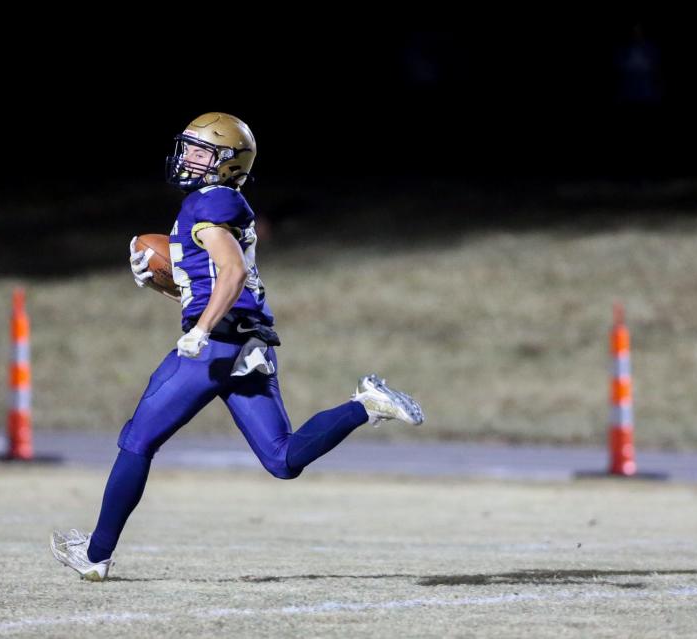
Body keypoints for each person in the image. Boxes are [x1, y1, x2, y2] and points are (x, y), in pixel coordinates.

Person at [50, 112, 424, 581]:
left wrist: (200, 330)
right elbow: (215, 283)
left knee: (136, 440)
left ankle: (96, 555)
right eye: (187, 147)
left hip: (217, 349)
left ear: (228, 164)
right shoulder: (220, 204)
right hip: (250, 344)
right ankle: (365, 404)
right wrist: (165, 285)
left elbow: (232, 272)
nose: (188, 157)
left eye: (201, 151)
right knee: (283, 459)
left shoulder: (206, 204)